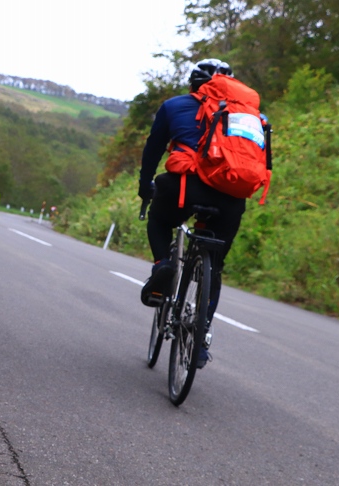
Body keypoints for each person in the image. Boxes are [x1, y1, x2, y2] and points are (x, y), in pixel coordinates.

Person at [138, 58, 258, 369]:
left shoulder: (175, 105)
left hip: (183, 187)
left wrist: (144, 186)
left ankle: (163, 265)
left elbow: (153, 148)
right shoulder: (251, 116)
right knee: (213, 266)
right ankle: (200, 334)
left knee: (161, 220)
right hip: (231, 196)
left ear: (193, 84)